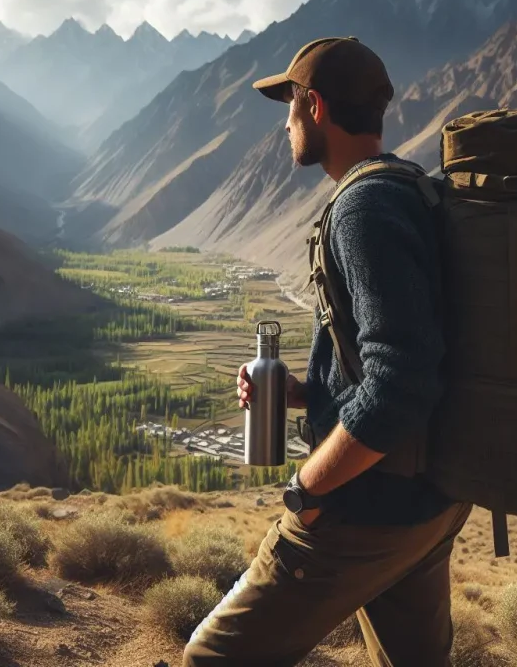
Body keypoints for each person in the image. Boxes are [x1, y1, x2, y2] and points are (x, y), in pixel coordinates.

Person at [182, 37, 472, 667]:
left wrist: (307, 491)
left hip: (368, 506)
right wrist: (305, 394)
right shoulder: (410, 188)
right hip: (429, 499)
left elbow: (401, 381)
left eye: (288, 109)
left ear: (313, 106)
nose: (284, 126)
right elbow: (409, 352)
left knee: (212, 659)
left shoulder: (363, 208)